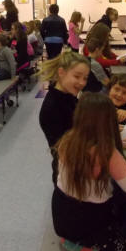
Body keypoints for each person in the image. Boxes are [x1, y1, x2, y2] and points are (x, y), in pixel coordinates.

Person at [52, 92, 126, 251]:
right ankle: (88, 245)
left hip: (61, 214)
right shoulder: (105, 151)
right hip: (90, 223)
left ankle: (74, 242)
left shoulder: (67, 140)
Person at [39, 50, 90, 184]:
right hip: (69, 175)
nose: (82, 82)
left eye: (85, 78)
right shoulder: (52, 107)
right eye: (77, 76)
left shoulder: (68, 96)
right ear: (61, 72)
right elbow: (67, 149)